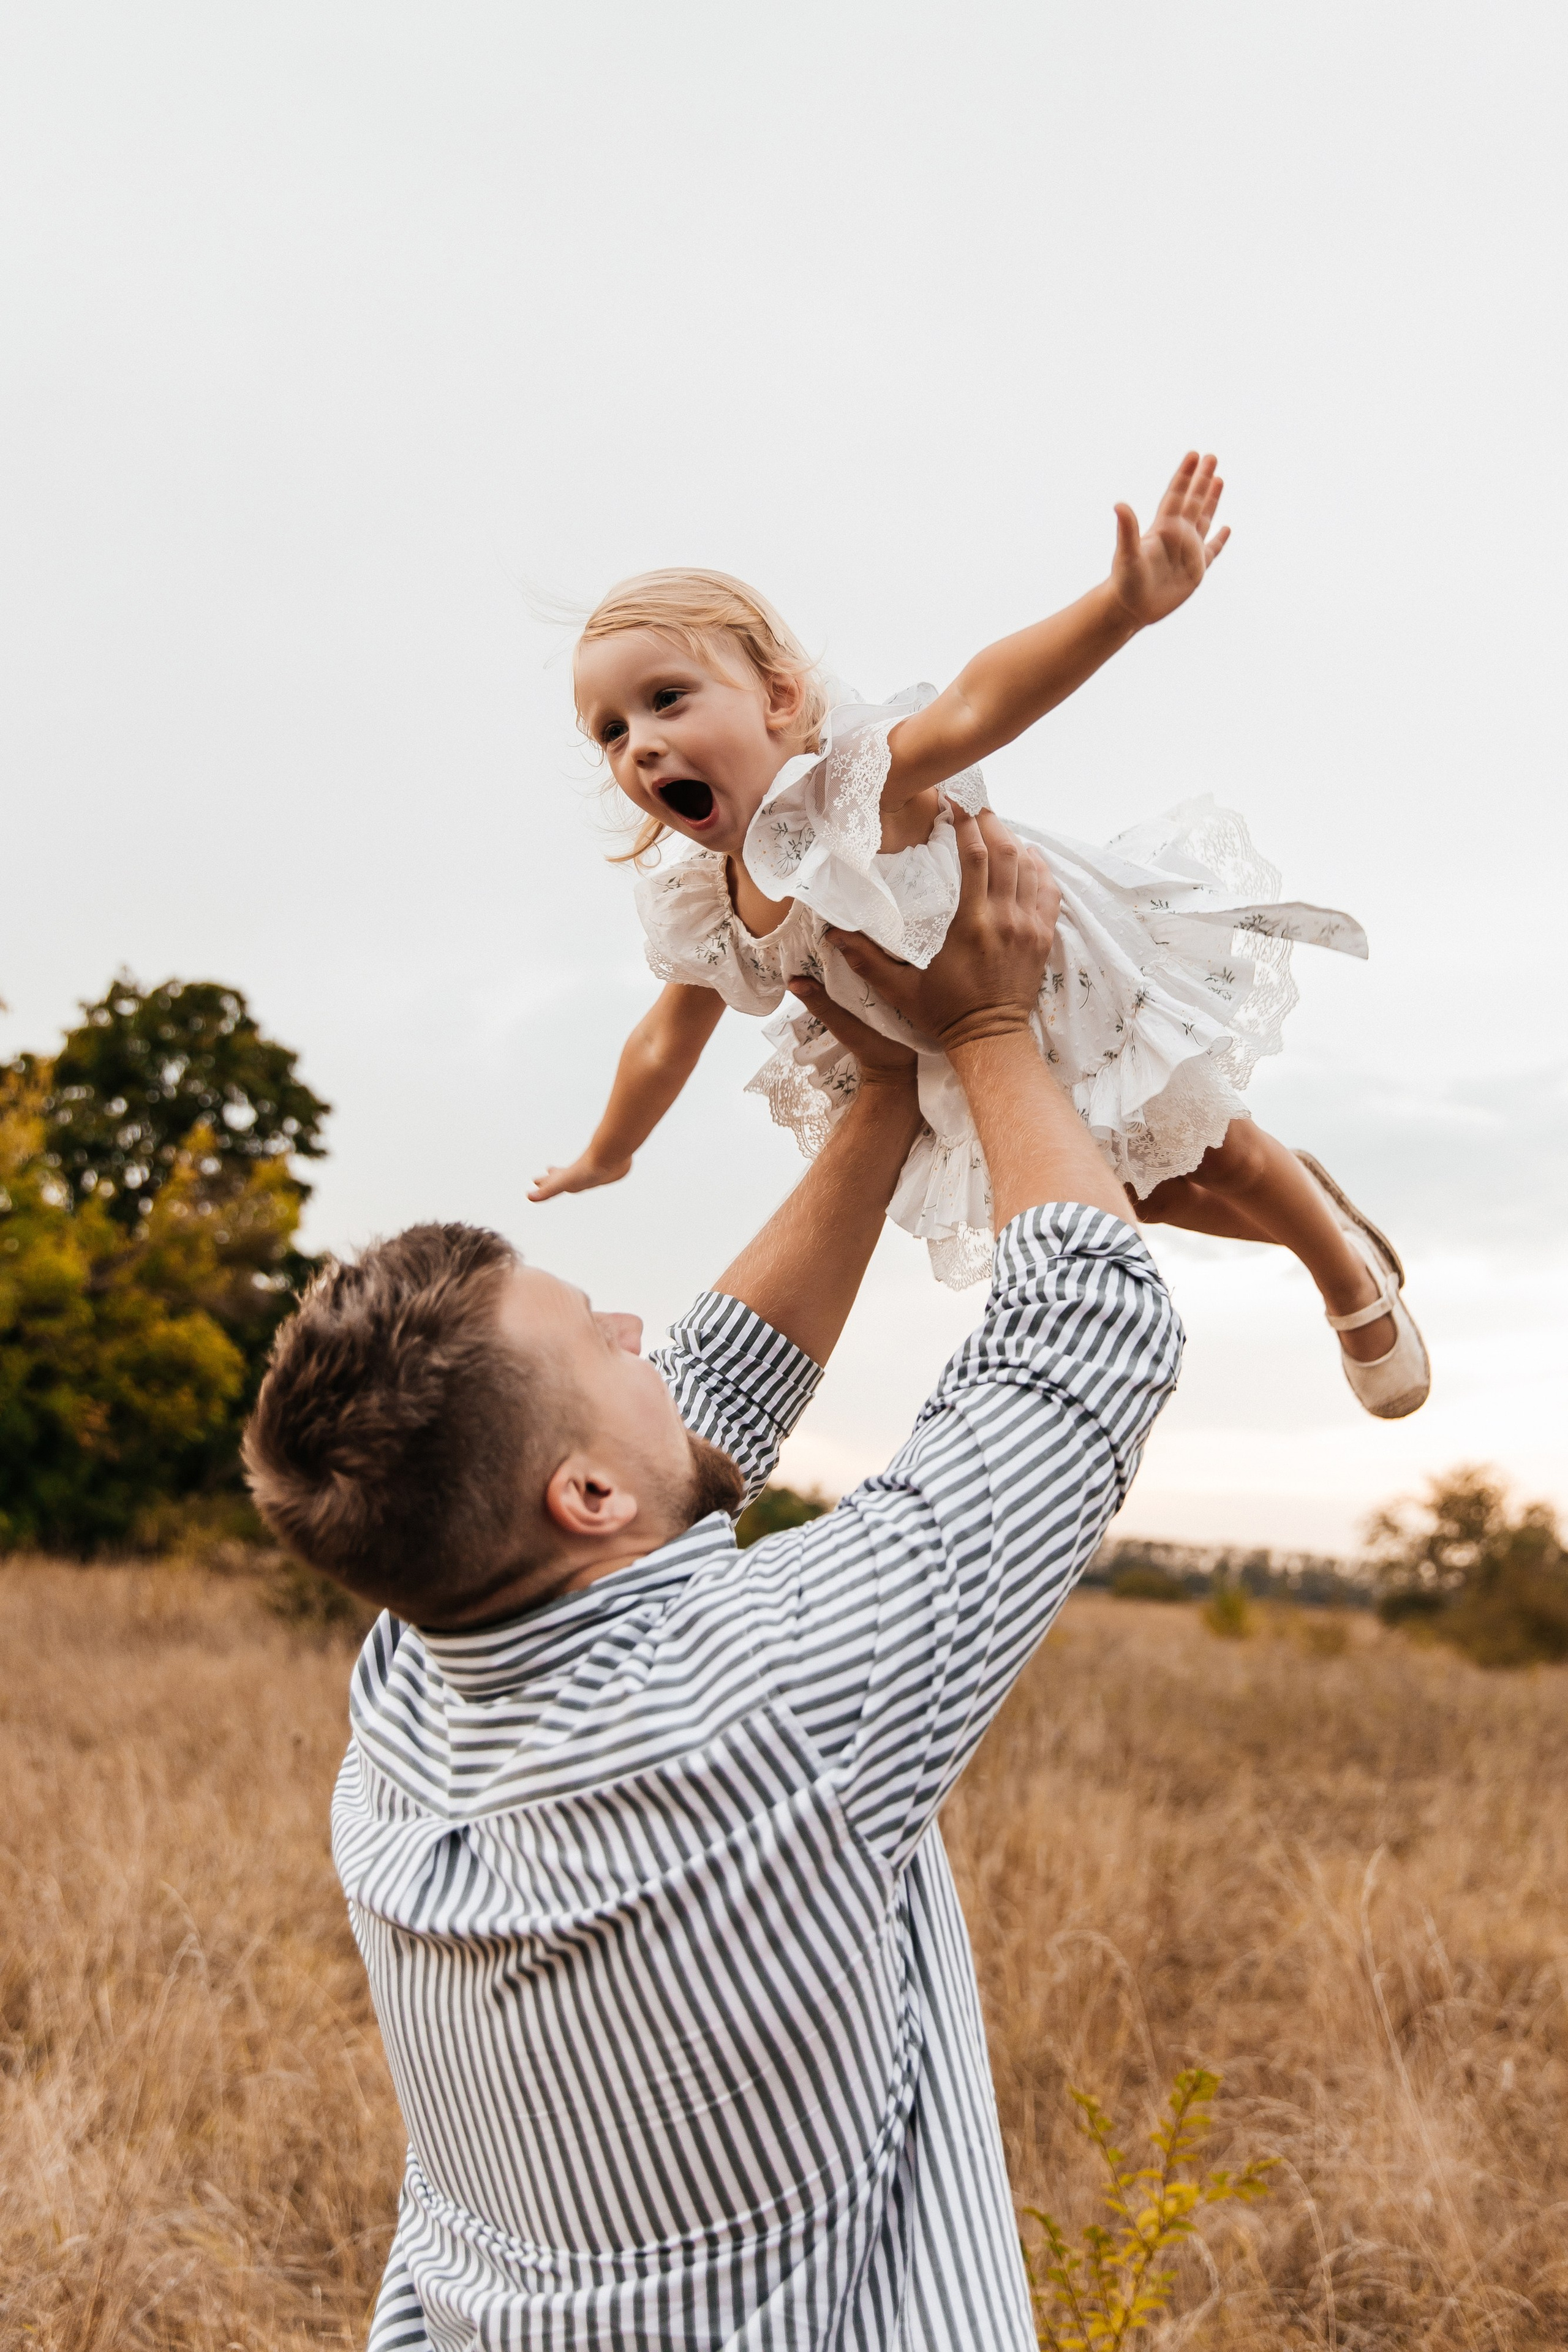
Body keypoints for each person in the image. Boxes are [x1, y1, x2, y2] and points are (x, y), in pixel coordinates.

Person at [244, 813, 1181, 2350]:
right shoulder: (768, 1704)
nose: (637, 1330)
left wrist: (882, 1098)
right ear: (582, 1498)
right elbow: (1086, 1339)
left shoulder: (411, 1688)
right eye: (596, 1335)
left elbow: (685, 1424)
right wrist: (987, 1034)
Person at [530, 452, 1428, 1419]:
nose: (640, 743)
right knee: (1143, 1197)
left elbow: (977, 702)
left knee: (1223, 1154)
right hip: (962, 1064)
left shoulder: (855, 788)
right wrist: (609, 1151)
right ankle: (1313, 1212)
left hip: (1068, 993)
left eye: (667, 699)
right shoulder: (709, 902)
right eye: (610, 732)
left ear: (779, 699)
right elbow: (665, 1039)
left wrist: (1121, 608)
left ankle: (1350, 1279)